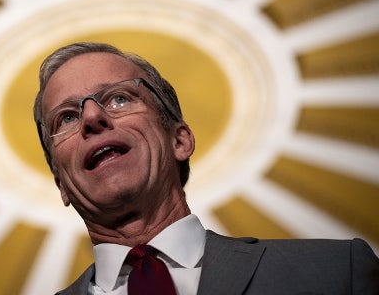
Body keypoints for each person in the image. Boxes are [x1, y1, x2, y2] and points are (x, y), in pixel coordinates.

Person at [32, 42, 379, 295]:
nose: (92, 118)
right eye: (67, 117)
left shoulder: (336, 272)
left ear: (179, 140)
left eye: (119, 98)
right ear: (61, 184)